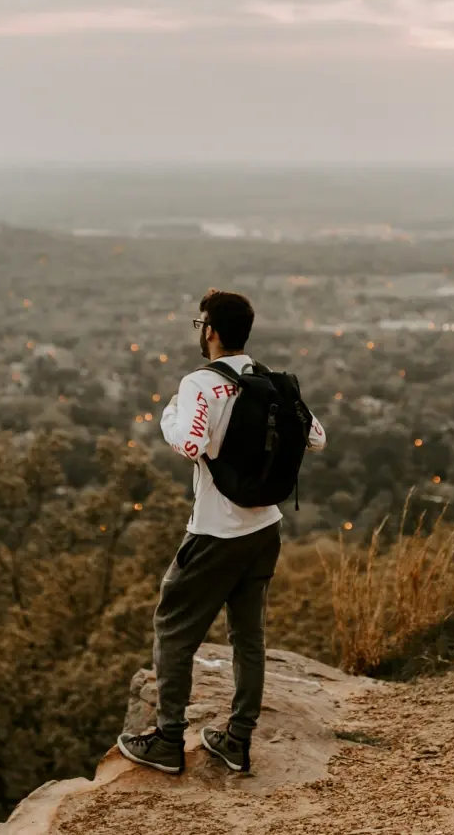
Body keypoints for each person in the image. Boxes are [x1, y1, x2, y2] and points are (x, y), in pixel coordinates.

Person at [116, 289, 326, 775]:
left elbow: (190, 444)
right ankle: (237, 738)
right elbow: (316, 437)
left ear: (210, 331)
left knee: (172, 627)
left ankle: (168, 740)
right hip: (265, 528)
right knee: (248, 636)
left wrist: (170, 415)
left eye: (201, 324)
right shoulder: (270, 381)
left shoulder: (201, 383)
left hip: (215, 531)